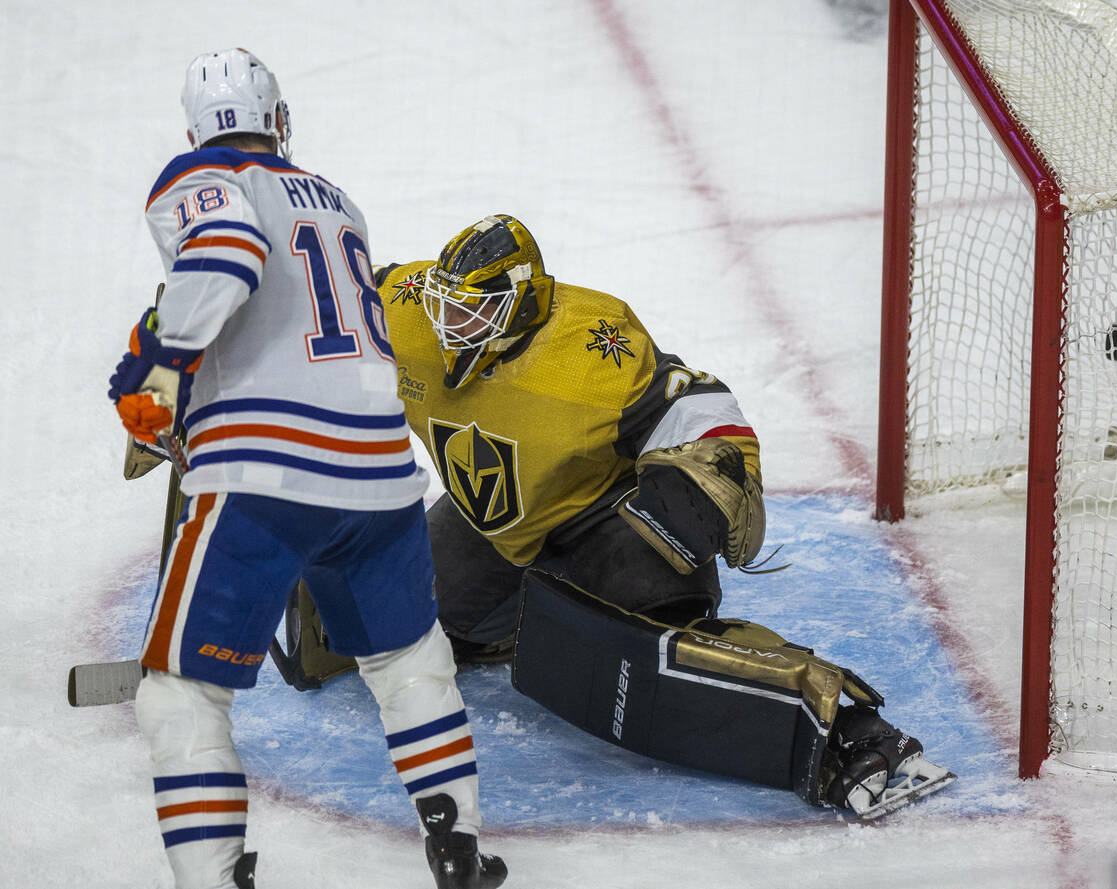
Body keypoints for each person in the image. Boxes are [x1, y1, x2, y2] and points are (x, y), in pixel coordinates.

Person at [363, 214, 955, 819]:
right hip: (495, 528)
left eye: (473, 309)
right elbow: (329, 290)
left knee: (667, 655)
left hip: (605, 522)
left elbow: (696, 400)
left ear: (523, 301)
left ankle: (846, 730)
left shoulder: (590, 348)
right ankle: (524, 620)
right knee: (401, 613)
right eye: (445, 304)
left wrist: (712, 470)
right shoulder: (404, 310)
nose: (449, 324)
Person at [108, 50, 504, 889]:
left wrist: (156, 377)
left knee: (181, 694)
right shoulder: (341, 203)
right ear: (279, 121)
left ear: (194, 132)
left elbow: (222, 258)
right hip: (381, 475)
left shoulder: (203, 175)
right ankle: (461, 848)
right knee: (409, 665)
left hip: (265, 478)